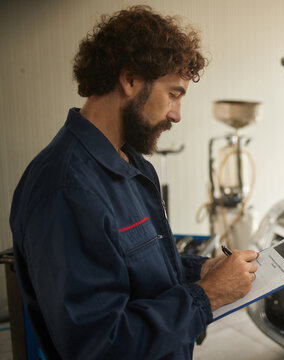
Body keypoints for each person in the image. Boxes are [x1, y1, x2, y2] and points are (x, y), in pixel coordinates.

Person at [9, 5, 258, 360]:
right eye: (173, 94)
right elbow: (99, 345)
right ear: (130, 80)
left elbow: (137, 265)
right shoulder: (67, 190)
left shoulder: (132, 163)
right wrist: (208, 295)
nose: (177, 114)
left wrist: (201, 269)